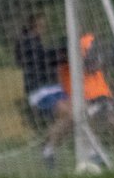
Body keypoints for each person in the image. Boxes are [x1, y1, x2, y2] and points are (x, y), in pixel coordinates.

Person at [57, 32, 114, 166]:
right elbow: (90, 66)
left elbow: (96, 58)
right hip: (84, 99)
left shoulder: (86, 44)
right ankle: (93, 154)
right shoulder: (64, 61)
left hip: (100, 96)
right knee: (85, 122)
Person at [14, 11, 72, 169]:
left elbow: (49, 57)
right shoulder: (27, 43)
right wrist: (62, 51)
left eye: (44, 24)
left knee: (75, 113)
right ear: (34, 25)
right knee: (68, 114)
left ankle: (49, 147)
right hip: (39, 90)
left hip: (54, 87)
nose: (44, 27)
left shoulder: (38, 42)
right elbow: (43, 58)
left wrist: (64, 51)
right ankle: (48, 149)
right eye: (41, 24)